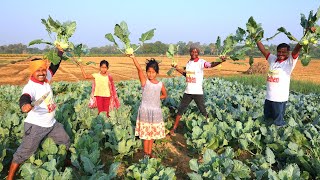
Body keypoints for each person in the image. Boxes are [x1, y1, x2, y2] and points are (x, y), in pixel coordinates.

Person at [7, 48, 70, 180]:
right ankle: (10, 177)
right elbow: (25, 97)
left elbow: (55, 65)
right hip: (36, 126)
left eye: (43, 70)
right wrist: (24, 105)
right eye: (38, 71)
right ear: (33, 72)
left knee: (65, 141)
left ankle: (66, 166)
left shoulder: (46, 77)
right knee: (23, 153)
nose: (42, 73)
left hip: (52, 124)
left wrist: (60, 51)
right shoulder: (30, 87)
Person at [255, 29, 314, 126]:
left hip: (279, 99)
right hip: (269, 98)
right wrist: (256, 38)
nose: (281, 54)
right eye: (279, 52)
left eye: (284, 52)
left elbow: (297, 49)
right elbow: (263, 50)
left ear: (288, 53)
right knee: (267, 120)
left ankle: (278, 139)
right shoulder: (273, 60)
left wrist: (306, 34)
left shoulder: (289, 62)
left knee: (278, 122)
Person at [169, 45, 226, 136]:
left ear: (198, 53)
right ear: (190, 52)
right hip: (188, 91)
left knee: (202, 109)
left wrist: (220, 61)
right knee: (180, 110)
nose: (194, 53)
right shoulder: (188, 63)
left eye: (196, 52)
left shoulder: (201, 62)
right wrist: (176, 68)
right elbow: (186, 74)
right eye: (192, 51)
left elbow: (210, 65)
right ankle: (174, 129)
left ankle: (209, 126)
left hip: (197, 92)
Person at [128, 54, 167, 158]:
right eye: (148, 72)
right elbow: (139, 70)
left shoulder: (160, 84)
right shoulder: (145, 82)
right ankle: (146, 154)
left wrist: (156, 98)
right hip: (145, 111)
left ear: (157, 73)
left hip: (155, 111)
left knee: (152, 135)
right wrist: (133, 58)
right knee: (146, 136)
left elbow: (164, 94)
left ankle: (149, 152)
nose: (150, 74)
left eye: (153, 72)